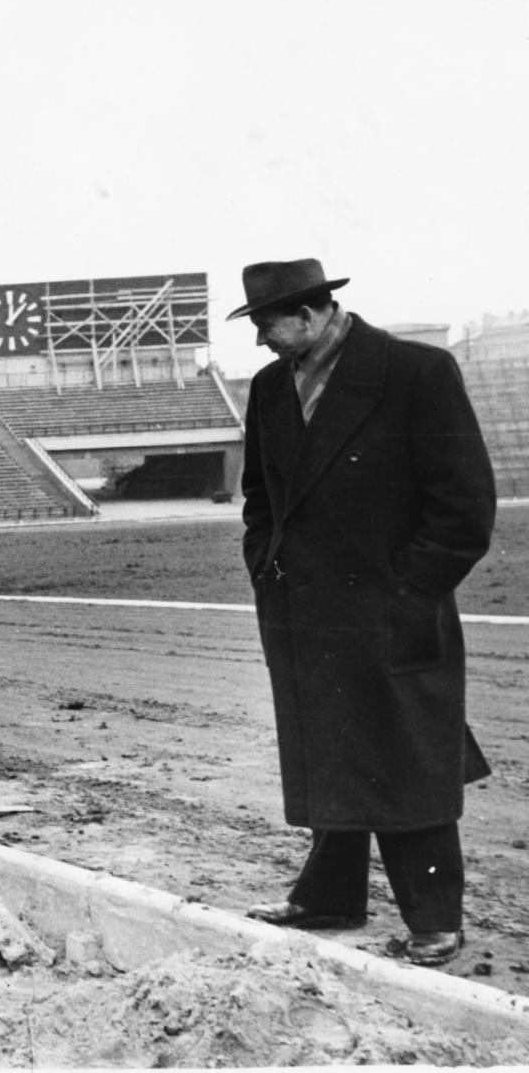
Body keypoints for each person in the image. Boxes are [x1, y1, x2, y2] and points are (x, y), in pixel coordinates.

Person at [232, 258, 496, 968]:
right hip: (302, 610)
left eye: (267, 324)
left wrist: (408, 590)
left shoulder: (417, 372)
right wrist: (266, 561)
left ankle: (436, 918)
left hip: (391, 608)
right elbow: (259, 495)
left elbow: (465, 508)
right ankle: (329, 896)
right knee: (331, 750)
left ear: (313, 314)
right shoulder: (268, 388)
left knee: (407, 756)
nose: (261, 340)